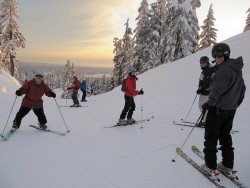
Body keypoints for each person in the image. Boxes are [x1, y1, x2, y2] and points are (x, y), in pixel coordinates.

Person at [200, 43, 246, 176]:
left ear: (226, 54)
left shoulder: (224, 70)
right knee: (225, 134)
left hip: (218, 109)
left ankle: (210, 166)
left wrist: (210, 104)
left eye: (219, 55)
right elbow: (242, 87)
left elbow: (217, 90)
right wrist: (236, 102)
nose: (217, 57)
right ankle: (227, 164)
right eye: (215, 55)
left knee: (211, 135)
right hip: (230, 109)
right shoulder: (235, 67)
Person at [196, 56, 214, 127]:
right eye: (201, 63)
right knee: (203, 106)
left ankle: (206, 121)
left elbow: (208, 82)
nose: (202, 64)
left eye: (204, 63)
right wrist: (200, 89)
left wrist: (202, 89)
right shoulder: (205, 70)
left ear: (207, 62)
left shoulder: (209, 70)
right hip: (205, 92)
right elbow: (202, 81)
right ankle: (207, 120)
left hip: (207, 92)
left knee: (203, 106)